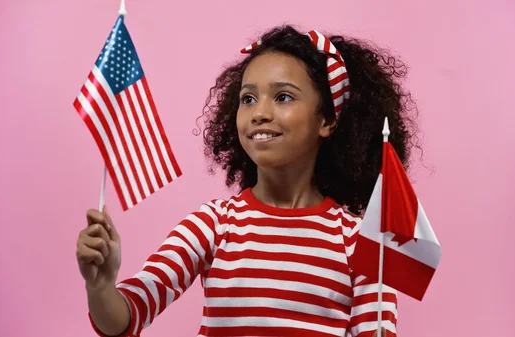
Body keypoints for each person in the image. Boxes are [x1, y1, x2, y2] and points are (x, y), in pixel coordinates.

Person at [76, 25, 419, 337]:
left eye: (283, 96)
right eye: (248, 98)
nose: (259, 113)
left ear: (327, 120)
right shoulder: (213, 225)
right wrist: (102, 287)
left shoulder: (360, 243)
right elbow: (128, 314)